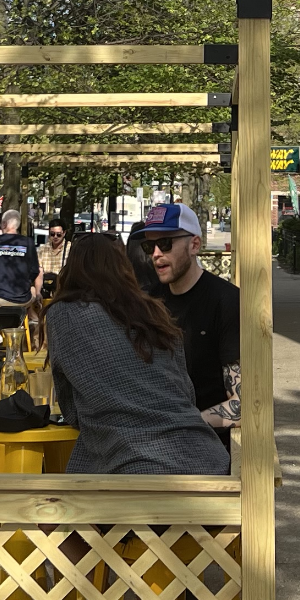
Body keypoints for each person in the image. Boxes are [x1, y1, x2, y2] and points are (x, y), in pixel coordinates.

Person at [43, 233, 229, 475]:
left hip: (133, 464)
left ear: (72, 268)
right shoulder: (153, 309)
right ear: (123, 266)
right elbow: (184, 389)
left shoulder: (64, 314)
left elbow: (71, 407)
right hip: (207, 456)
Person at [139, 201, 242, 437]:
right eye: (149, 246)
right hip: (150, 439)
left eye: (165, 244)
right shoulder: (146, 301)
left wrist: (182, 423)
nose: (156, 254)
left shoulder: (226, 301)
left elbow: (243, 405)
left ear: (194, 244)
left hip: (207, 444)